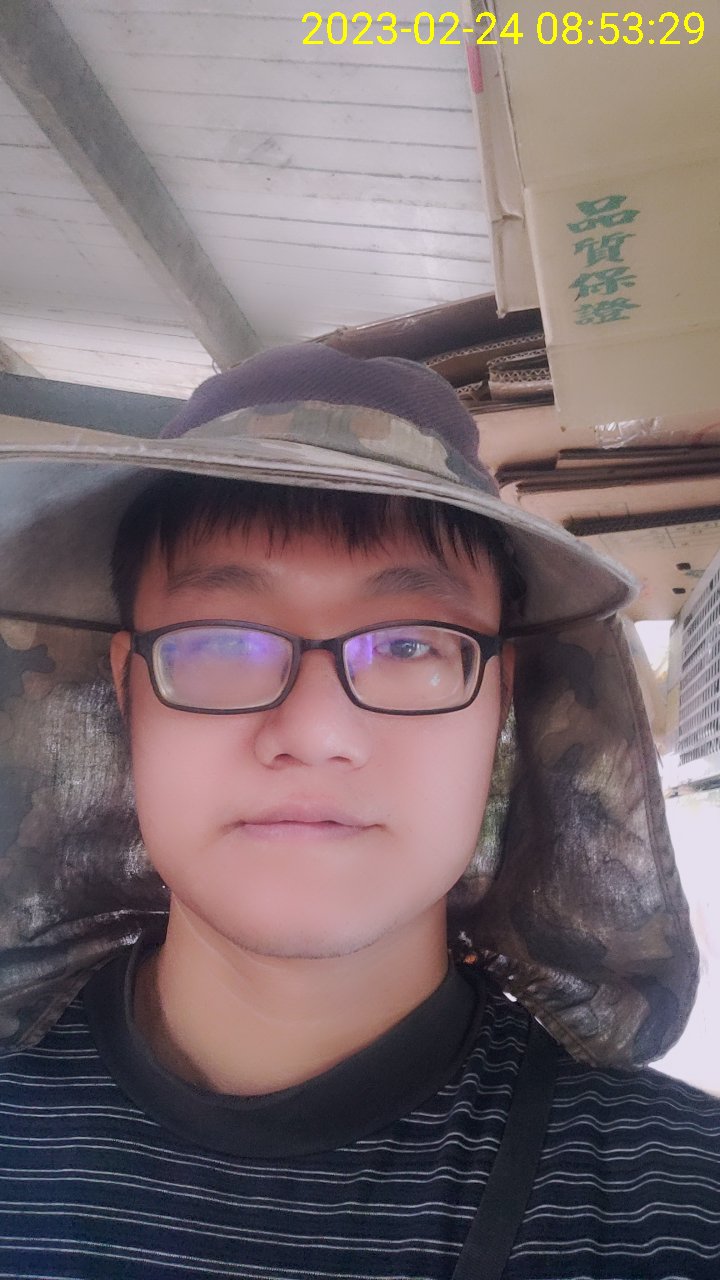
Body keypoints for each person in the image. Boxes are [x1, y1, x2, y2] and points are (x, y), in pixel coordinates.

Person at [0, 342, 717, 1279]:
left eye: (411, 645)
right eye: (222, 641)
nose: (315, 732)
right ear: (126, 687)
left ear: (499, 701)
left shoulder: (676, 1208)